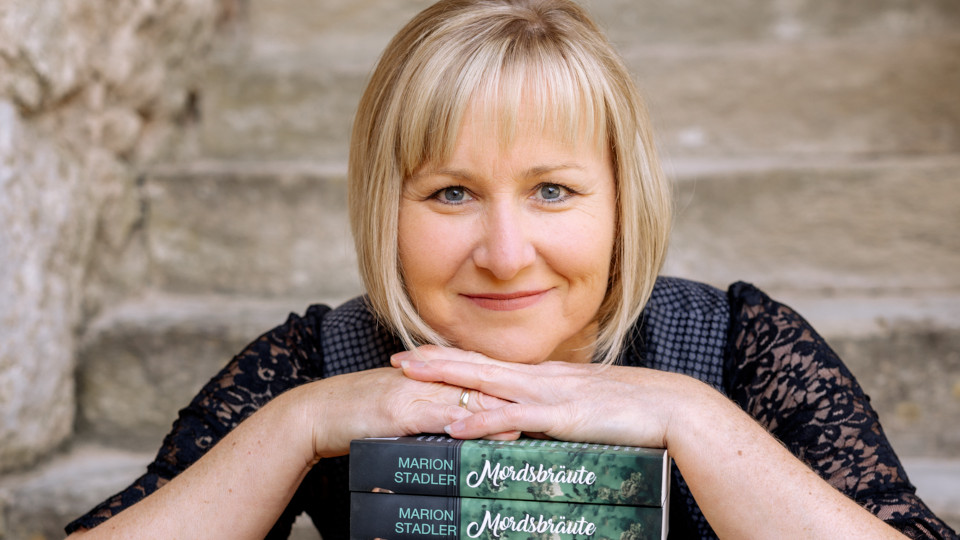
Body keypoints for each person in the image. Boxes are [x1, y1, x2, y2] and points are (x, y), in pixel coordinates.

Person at [66, 0, 956, 538]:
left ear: (623, 201)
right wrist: (296, 427)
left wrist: (688, 417)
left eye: (553, 191)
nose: (503, 255)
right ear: (385, 207)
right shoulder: (315, 364)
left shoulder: (743, 349)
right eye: (451, 193)